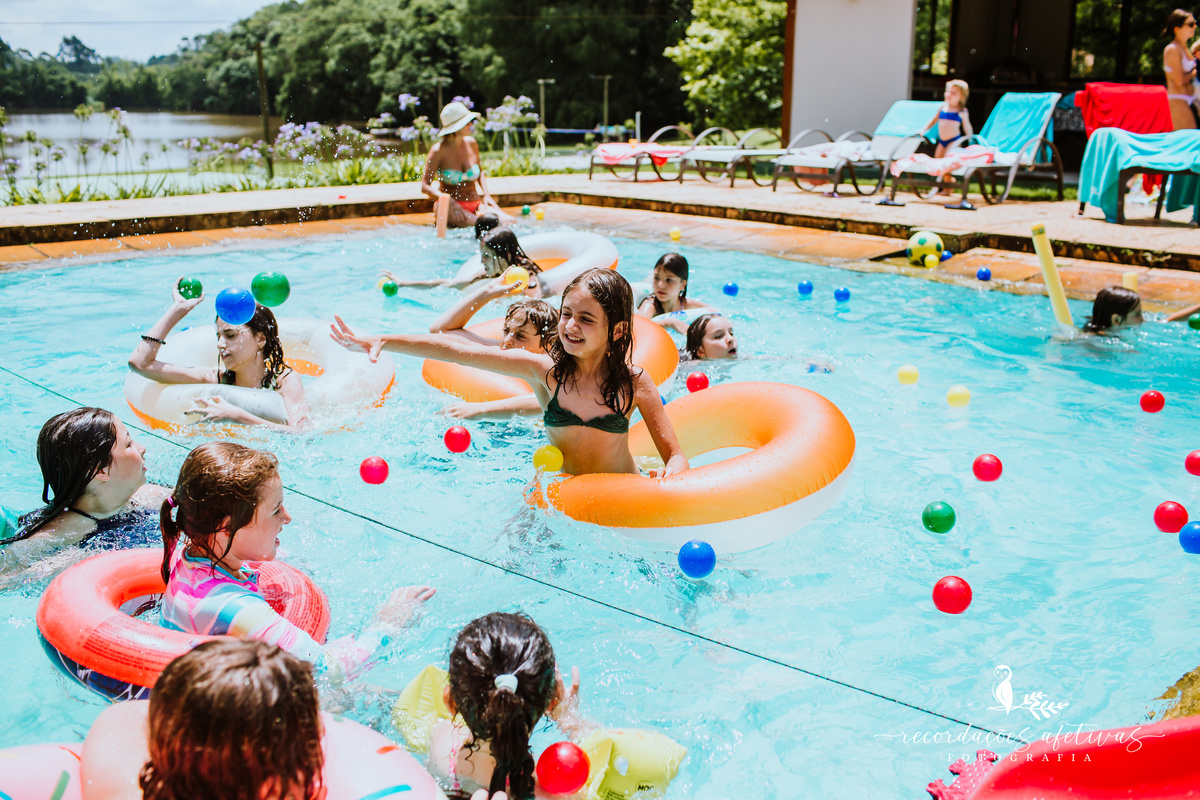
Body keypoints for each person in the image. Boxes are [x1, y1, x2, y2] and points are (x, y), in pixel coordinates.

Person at [332, 268, 690, 478]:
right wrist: (383, 338)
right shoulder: (545, 372)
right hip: (563, 492)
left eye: (586, 319)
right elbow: (458, 351)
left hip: (620, 490)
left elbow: (676, 455)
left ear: (616, 331)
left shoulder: (633, 382)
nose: (570, 326)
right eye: (566, 314)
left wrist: (671, 472)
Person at [158, 441, 435, 681]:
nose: (287, 518)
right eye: (276, 510)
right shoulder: (235, 610)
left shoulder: (190, 559)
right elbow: (331, 670)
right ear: (227, 527)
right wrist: (386, 624)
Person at [82, 640, 326, 800]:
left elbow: (124, 715)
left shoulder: (115, 785)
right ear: (270, 790)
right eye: (314, 741)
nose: (324, 733)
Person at [426, 613, 593, 799]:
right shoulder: (553, 792)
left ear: (450, 701)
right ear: (552, 700)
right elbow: (609, 759)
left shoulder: (441, 744)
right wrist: (570, 719)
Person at [0, 408, 170, 573]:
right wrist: (63, 564)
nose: (142, 448)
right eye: (128, 444)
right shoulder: (58, 535)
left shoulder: (148, 495)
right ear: (101, 471)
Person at [127, 280, 311, 431]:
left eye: (230, 335)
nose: (220, 344)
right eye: (218, 336)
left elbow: (303, 433)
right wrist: (178, 310)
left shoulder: (284, 380)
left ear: (260, 339)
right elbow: (139, 364)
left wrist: (237, 416)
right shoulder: (216, 379)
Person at [431, 278, 559, 421]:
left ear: (547, 346)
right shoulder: (497, 349)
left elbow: (555, 400)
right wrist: (487, 293)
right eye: (506, 330)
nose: (508, 340)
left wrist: (479, 409)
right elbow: (440, 332)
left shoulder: (553, 367)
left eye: (521, 336)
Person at [422, 102, 510, 228]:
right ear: (456, 127)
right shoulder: (438, 151)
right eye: (466, 122)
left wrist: (486, 195)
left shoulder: (471, 143)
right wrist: (446, 198)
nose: (471, 124)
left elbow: (480, 172)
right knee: (487, 227)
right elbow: (425, 186)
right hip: (451, 209)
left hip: (476, 203)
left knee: (510, 222)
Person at [384, 228, 544, 297]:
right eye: (482, 255)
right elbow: (448, 283)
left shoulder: (526, 274)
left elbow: (537, 298)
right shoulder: (487, 274)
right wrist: (404, 283)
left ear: (505, 256)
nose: (482, 261)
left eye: (487, 256)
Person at [635, 253, 713, 333]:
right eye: (656, 278)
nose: (660, 285)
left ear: (682, 284)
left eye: (669, 280)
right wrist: (669, 322)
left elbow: (715, 312)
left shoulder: (685, 304)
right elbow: (637, 327)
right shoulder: (651, 305)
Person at [920, 79, 973, 194]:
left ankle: (947, 188)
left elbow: (967, 127)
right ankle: (948, 183)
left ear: (961, 96)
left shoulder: (961, 111)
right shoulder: (942, 108)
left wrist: (970, 138)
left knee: (947, 163)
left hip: (953, 141)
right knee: (939, 162)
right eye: (948, 91)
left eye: (953, 93)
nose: (949, 95)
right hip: (942, 141)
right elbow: (933, 121)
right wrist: (923, 130)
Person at [1164, 9, 1198, 130]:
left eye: (1195, 23)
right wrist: (1194, 73)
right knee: (1189, 143)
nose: (1194, 26)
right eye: (1190, 24)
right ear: (1177, 28)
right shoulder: (1172, 49)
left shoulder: (1185, 49)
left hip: (1188, 101)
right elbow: (1179, 80)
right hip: (1178, 102)